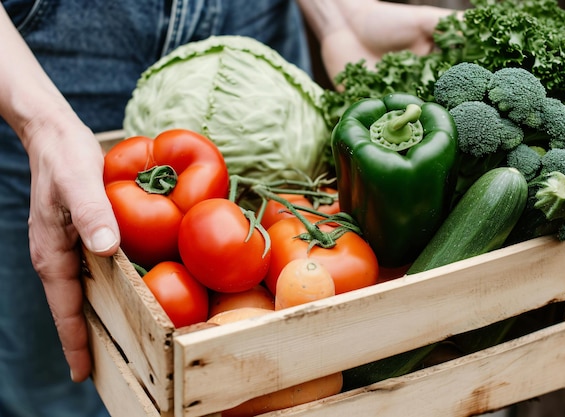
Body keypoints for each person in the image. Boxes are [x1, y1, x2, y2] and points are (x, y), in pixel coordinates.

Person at [0, 1, 458, 416]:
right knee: (48, 381)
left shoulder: (283, 220)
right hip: (40, 59)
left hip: (254, 17)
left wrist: (337, 14)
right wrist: (40, 123)